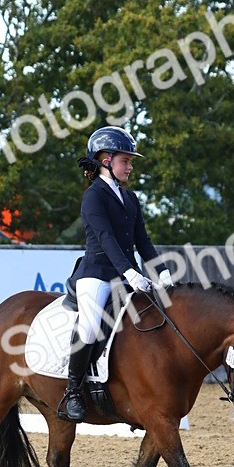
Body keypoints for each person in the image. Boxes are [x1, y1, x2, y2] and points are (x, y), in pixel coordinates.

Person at [58, 126, 172, 422]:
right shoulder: (93, 197)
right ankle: (73, 391)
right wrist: (131, 273)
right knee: (91, 325)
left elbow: (143, 241)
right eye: (126, 161)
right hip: (96, 275)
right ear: (106, 160)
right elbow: (106, 239)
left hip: (126, 274)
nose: (130, 167)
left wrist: (162, 272)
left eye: (131, 162)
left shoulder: (130, 198)